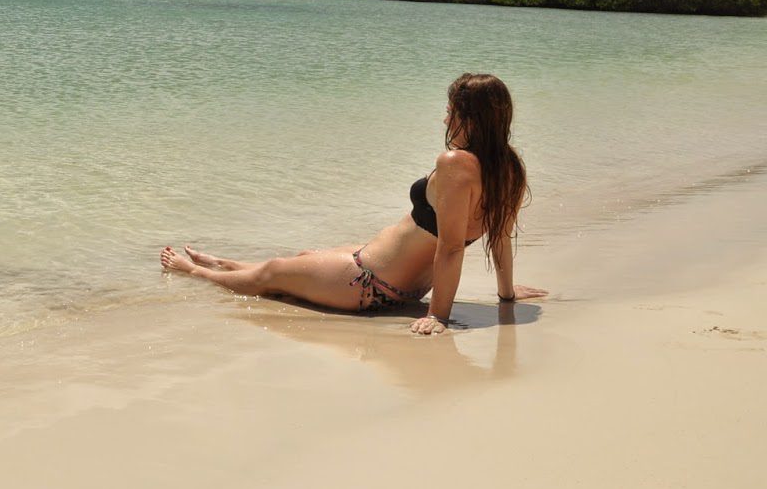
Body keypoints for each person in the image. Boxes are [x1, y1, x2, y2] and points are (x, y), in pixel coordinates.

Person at [160, 72, 546, 335]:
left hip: (368, 282)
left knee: (274, 273)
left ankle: (198, 272)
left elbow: (448, 247)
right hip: (398, 282)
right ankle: (224, 262)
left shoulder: (456, 164)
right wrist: (507, 294)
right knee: (306, 256)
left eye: (451, 111)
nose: (445, 117)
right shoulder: (509, 168)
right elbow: (500, 235)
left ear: (471, 118)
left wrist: (437, 317)